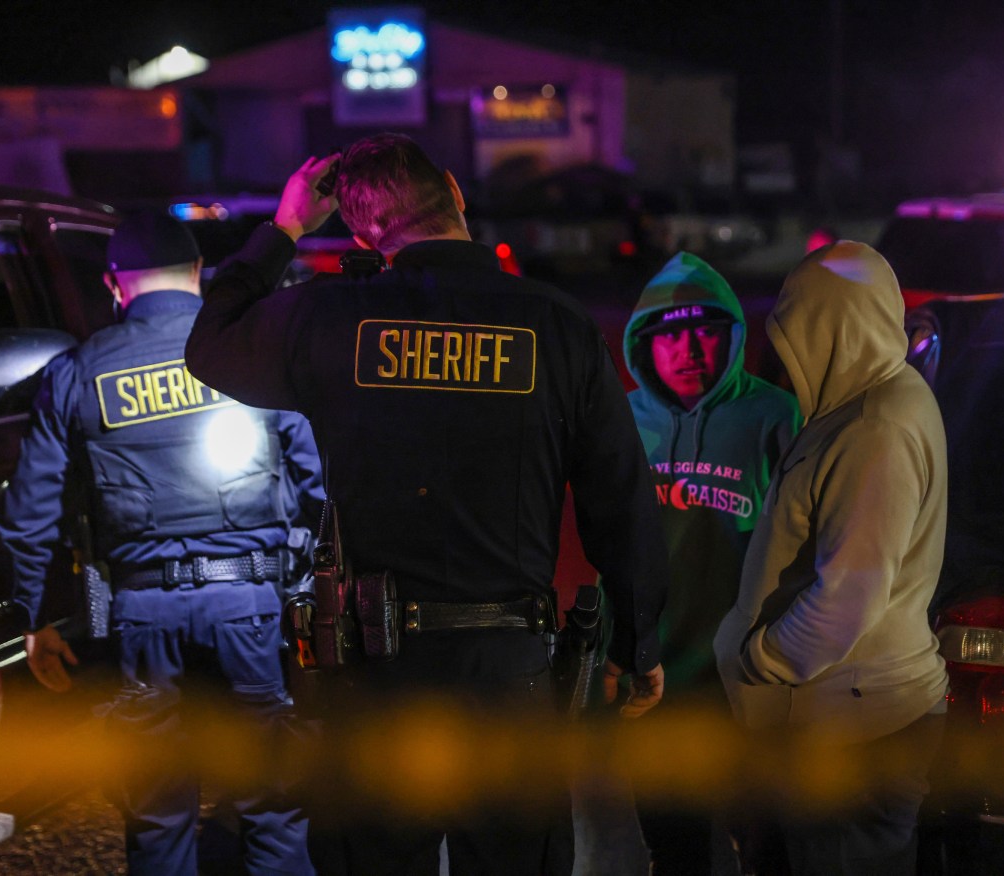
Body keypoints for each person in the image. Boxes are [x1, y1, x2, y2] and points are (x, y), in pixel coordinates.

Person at [185, 134, 670, 876]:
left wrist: (282, 229)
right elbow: (619, 498)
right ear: (453, 188)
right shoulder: (555, 324)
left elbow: (211, 343)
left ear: (359, 233)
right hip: (510, 670)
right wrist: (637, 645)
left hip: (379, 675)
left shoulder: (331, 318)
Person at [0, 210, 324, 876]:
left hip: (144, 616)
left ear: (116, 286)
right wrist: (311, 584)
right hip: (251, 608)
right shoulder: (247, 351)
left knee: (159, 807)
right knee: (273, 798)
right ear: (198, 274)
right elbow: (318, 479)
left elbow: (30, 511)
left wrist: (34, 620)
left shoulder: (77, 372)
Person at [714, 240, 949, 875]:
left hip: (856, 734)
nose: (789, 363)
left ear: (835, 333)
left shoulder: (875, 429)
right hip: (842, 723)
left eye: (801, 338)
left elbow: (848, 598)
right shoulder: (858, 408)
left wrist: (757, 659)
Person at [621, 252, 800, 874]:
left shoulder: (775, 415)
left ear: (732, 335)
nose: (688, 348)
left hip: (748, 675)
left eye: (705, 329)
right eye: (669, 333)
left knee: (767, 844)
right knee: (673, 847)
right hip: (656, 675)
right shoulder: (621, 421)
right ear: (645, 344)